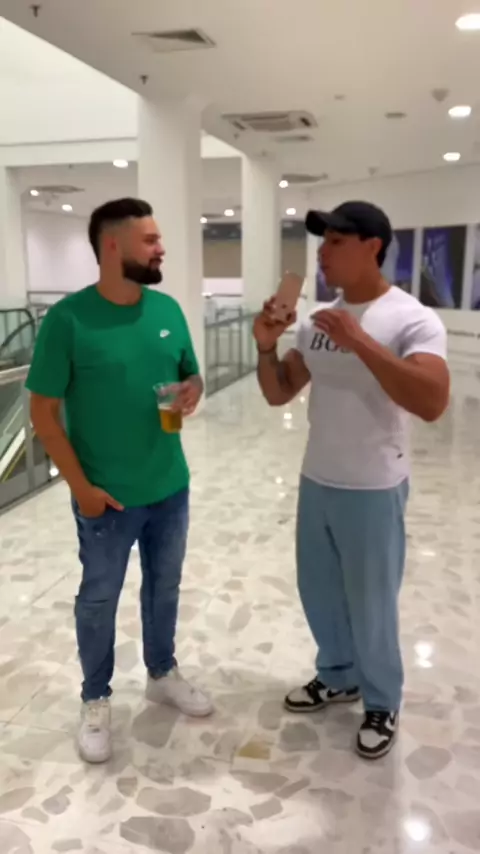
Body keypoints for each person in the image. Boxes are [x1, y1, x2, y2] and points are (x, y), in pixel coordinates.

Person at [254, 201, 449, 760]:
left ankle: (382, 699)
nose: (324, 253)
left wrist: (360, 340)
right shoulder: (319, 318)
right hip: (318, 477)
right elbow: (279, 391)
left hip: (374, 485)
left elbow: (432, 401)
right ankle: (338, 674)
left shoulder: (412, 319)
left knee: (372, 601)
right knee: (318, 590)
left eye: (337, 241)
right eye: (323, 241)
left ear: (373, 246)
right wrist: (265, 345)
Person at [27, 198, 213, 764]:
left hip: (170, 484)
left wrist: (193, 389)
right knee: (99, 599)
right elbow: (42, 414)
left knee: (165, 587)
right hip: (106, 498)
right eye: (150, 240)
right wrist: (80, 489)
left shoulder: (167, 309)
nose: (161, 249)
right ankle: (95, 698)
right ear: (113, 246)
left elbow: (190, 375)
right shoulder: (69, 320)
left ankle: (162, 672)